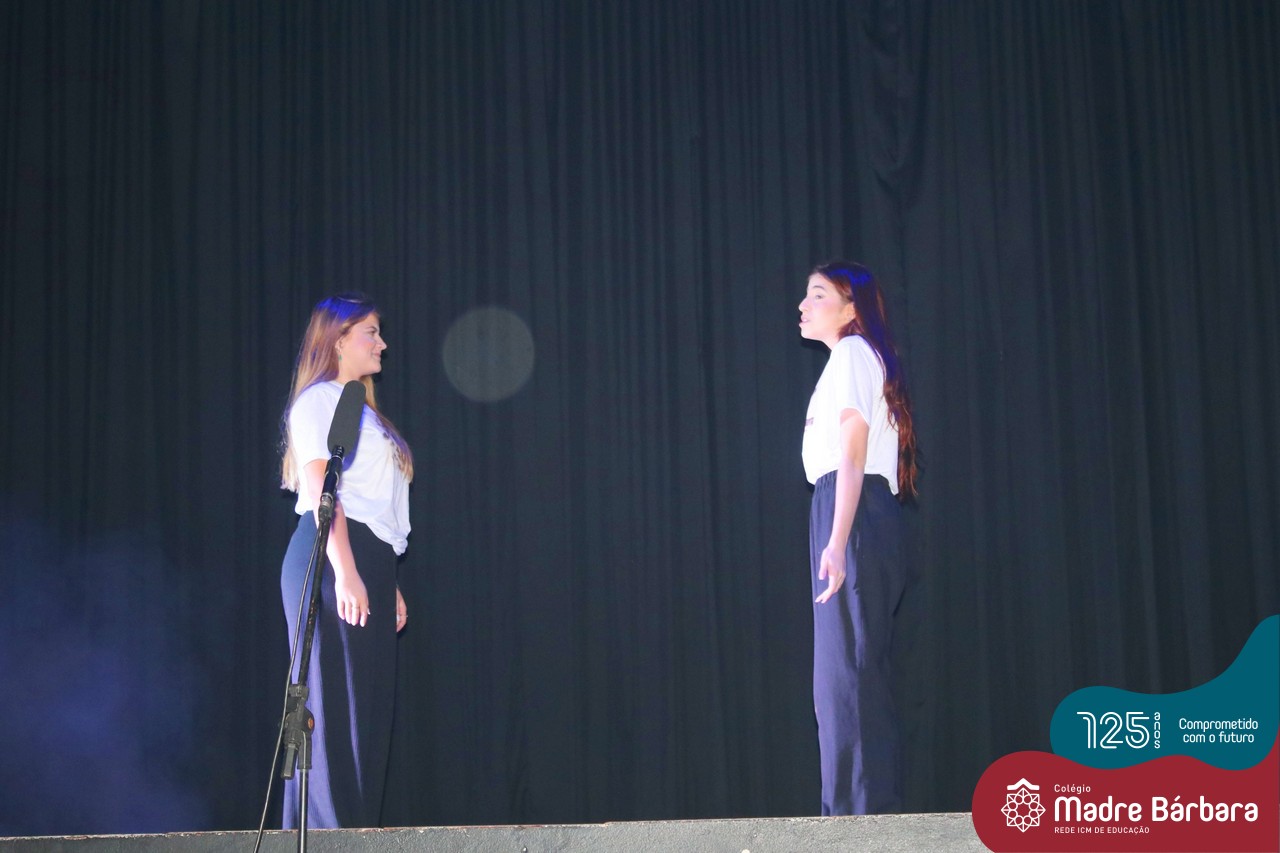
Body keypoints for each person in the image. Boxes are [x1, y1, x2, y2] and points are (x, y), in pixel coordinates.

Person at [278, 293, 414, 828]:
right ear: (337, 340)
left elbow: (375, 505)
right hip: (332, 551)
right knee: (335, 702)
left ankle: (354, 832)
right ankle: (328, 834)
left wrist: (386, 577)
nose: (382, 344)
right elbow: (323, 490)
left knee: (368, 710)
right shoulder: (320, 400)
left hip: (366, 556)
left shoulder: (363, 409)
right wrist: (347, 570)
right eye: (370, 333)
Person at [797, 261, 919, 816]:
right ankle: (852, 816)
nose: (804, 305)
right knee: (842, 674)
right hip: (844, 509)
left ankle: (858, 822)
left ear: (852, 308)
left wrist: (837, 539)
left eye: (818, 295)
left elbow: (852, 451)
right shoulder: (846, 361)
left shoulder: (851, 352)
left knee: (848, 673)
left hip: (853, 511)